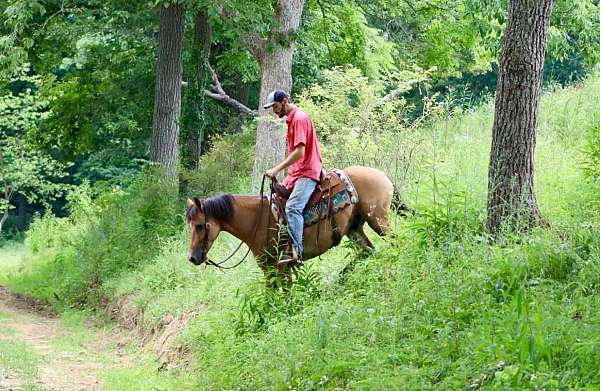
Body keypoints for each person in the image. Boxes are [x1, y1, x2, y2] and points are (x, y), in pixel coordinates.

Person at [263, 89, 322, 265]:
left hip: (307, 172)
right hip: (297, 173)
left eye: (275, 106)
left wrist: (276, 169)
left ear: (285, 102)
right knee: (276, 201)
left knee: (292, 208)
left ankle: (297, 251)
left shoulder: (299, 119)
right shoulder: (292, 120)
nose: (274, 110)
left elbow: (300, 152)